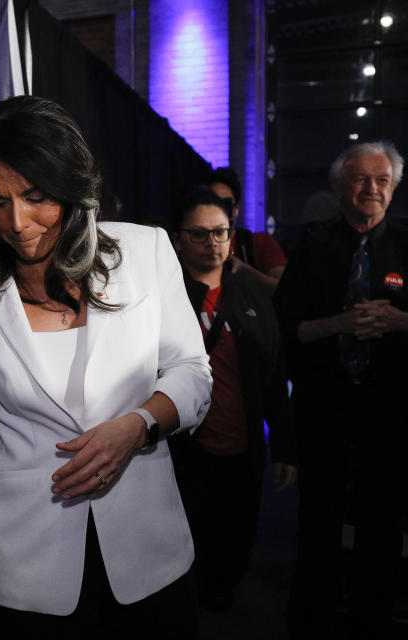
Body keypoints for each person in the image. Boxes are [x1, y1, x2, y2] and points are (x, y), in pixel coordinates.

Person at [0, 96, 212, 639]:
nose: (17, 222)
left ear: (72, 188)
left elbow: (192, 373)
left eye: (36, 198)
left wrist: (137, 427)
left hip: (149, 554)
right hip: (27, 567)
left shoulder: (145, 251)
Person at [274, 141, 408, 638]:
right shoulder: (312, 247)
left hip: (390, 412)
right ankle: (311, 620)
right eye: (360, 179)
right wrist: (340, 323)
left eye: (381, 181)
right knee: (318, 522)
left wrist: (399, 321)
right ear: (340, 188)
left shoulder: (407, 246)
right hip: (324, 409)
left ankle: (372, 619)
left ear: (393, 190)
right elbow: (289, 329)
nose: (370, 189)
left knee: (383, 524)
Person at [168, 187, 297, 612]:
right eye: (200, 234)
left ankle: (221, 598)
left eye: (221, 233)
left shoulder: (253, 296)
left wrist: (285, 449)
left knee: (237, 539)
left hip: (243, 448)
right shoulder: (165, 301)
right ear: (178, 239)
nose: (212, 244)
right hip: (182, 451)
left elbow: (275, 377)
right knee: (188, 540)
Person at [204, 167, 287, 294]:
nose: (218, 210)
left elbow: (286, 290)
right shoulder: (196, 244)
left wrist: (245, 271)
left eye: (225, 204)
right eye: (212, 203)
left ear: (236, 207)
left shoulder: (259, 243)